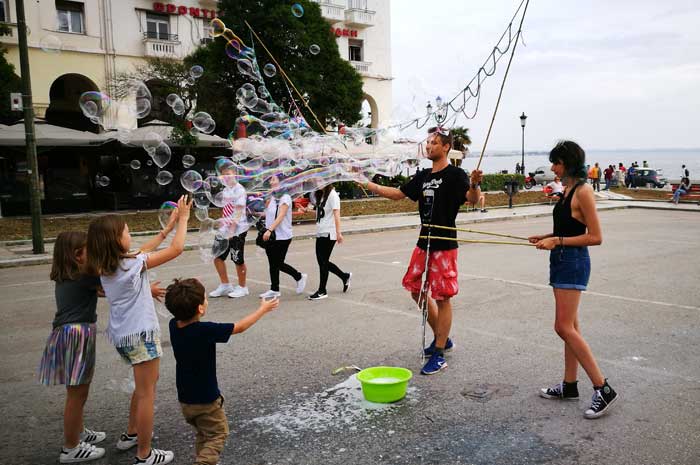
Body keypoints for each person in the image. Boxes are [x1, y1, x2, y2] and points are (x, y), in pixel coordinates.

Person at [359, 126, 483, 375]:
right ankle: (442, 337)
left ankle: (439, 353)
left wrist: (475, 184)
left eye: (434, 143)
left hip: (444, 244)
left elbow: (472, 199)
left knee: (443, 297)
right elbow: (398, 194)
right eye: (428, 143)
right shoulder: (424, 175)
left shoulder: (456, 174)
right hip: (423, 241)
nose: (429, 146)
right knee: (415, 289)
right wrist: (368, 184)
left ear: (446, 146)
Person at [86, 195, 192, 465]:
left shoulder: (108, 266)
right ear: (115, 241)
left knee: (144, 386)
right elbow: (176, 250)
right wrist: (183, 220)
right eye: (126, 232)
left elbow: (144, 250)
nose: (130, 235)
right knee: (147, 392)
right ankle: (144, 454)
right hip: (140, 334)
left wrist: (166, 229)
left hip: (126, 336)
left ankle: (132, 433)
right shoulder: (130, 264)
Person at [528, 140, 619, 419]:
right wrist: (548, 236)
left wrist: (558, 240)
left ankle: (603, 388)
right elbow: (569, 226)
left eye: (556, 163)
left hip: (573, 262)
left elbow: (596, 237)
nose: (553, 168)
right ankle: (569, 386)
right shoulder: (567, 191)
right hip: (562, 259)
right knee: (572, 327)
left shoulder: (584, 191)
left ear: (567, 163)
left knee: (563, 327)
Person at [165, 278, 278, 465]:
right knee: (218, 433)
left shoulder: (173, 325)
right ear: (200, 309)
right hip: (206, 400)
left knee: (204, 433)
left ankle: (205, 459)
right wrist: (262, 310)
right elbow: (239, 327)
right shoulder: (204, 330)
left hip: (186, 399)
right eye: (204, 298)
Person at [40, 232, 107, 463]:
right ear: (78, 255)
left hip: (68, 333)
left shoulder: (70, 274)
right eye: (90, 250)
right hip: (77, 334)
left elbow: (99, 290)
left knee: (78, 390)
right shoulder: (85, 274)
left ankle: (77, 432)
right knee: (77, 394)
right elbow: (109, 286)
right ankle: (70, 447)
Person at [260, 174, 307, 298]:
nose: (270, 182)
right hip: (271, 235)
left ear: (281, 182)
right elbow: (267, 213)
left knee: (278, 263)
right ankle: (274, 289)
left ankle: (299, 276)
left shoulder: (285, 197)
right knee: (272, 263)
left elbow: (281, 216)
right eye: (270, 179)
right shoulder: (272, 197)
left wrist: (269, 230)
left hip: (282, 236)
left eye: (273, 179)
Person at [208, 168, 250, 299]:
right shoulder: (226, 190)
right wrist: (222, 225)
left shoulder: (239, 190)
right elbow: (226, 210)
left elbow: (238, 211)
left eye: (229, 174)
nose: (226, 176)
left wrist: (232, 230)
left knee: (237, 258)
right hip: (224, 229)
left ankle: (243, 287)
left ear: (235, 175)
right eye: (224, 174)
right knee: (217, 256)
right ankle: (225, 284)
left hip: (237, 230)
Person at [308, 184, 352, 300]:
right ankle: (344, 276)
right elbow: (321, 214)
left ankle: (322, 290)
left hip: (329, 232)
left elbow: (337, 215)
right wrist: (306, 211)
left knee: (323, 262)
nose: (318, 183)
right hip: (321, 231)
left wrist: (338, 233)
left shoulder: (332, 195)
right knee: (323, 262)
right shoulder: (320, 195)